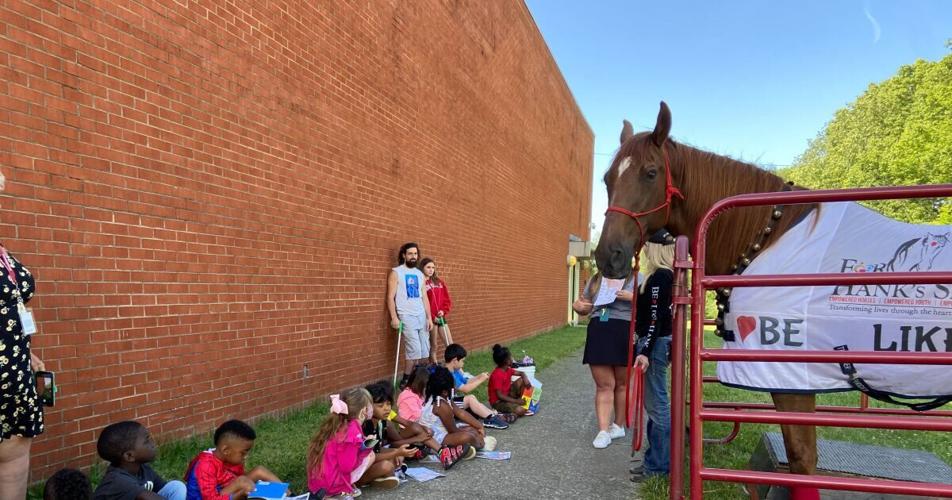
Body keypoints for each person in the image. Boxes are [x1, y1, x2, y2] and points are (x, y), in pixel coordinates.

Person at [0, 168, 46, 500]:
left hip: (14, 376)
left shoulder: (3, 254)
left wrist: (26, 353)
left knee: (13, 462)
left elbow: (13, 307)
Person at [573, 267, 637, 449]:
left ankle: (618, 426)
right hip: (599, 330)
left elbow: (653, 305)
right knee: (603, 385)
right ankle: (603, 431)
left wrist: (633, 298)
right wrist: (577, 306)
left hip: (625, 330)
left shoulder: (637, 276)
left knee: (622, 384)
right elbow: (583, 305)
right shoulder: (596, 279)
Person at [631, 231, 675, 479]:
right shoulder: (664, 276)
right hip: (656, 343)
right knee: (654, 403)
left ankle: (658, 466)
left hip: (655, 344)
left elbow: (655, 318)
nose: (644, 249)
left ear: (656, 248)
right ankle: (654, 460)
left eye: (647, 245)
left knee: (657, 404)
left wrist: (645, 350)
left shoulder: (660, 277)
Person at [307, 389, 404, 496]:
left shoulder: (341, 424)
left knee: (371, 455)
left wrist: (364, 445)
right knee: (370, 455)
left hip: (317, 485)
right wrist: (366, 449)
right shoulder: (352, 432)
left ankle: (346, 488)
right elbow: (347, 467)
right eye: (370, 405)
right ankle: (342, 490)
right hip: (331, 486)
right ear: (363, 411)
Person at [184, 420, 282, 500]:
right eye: (243, 453)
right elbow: (209, 498)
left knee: (259, 471)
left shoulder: (229, 458)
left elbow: (237, 479)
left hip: (224, 491)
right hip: (209, 498)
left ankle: (289, 496)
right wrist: (237, 495)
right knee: (242, 482)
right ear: (226, 450)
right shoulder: (205, 465)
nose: (246, 456)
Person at [419, 367, 494, 466]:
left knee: (472, 429)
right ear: (445, 391)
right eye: (453, 386)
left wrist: (479, 426)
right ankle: (479, 445)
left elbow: (460, 413)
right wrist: (476, 437)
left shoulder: (443, 397)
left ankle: (463, 448)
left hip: (444, 431)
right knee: (468, 436)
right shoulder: (441, 405)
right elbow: (453, 431)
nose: (455, 388)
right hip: (435, 439)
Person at [93, 421, 186, 500]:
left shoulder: (144, 469)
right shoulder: (117, 481)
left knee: (176, 487)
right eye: (147, 441)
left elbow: (163, 490)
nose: (153, 443)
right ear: (129, 456)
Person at [387, 243, 435, 386]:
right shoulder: (396, 272)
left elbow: (424, 297)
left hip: (421, 315)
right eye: (410, 253)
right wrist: (394, 317)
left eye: (415, 254)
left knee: (425, 350)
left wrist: (429, 317)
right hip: (406, 316)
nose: (413, 256)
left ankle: (415, 380)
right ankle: (407, 379)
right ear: (404, 255)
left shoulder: (420, 274)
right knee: (414, 349)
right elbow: (390, 297)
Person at [444, 344, 512, 429]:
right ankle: (490, 418)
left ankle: (493, 415)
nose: (463, 363)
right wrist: (481, 380)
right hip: (445, 404)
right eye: (462, 361)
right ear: (455, 360)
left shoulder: (455, 371)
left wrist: (479, 376)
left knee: (471, 400)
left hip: (452, 401)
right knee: (470, 398)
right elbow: (465, 389)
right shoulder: (447, 374)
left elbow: (467, 381)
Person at [364, 381, 441, 457]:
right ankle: (417, 449)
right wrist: (417, 439)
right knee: (389, 425)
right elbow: (373, 454)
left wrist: (423, 428)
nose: (387, 409)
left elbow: (407, 423)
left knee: (415, 427)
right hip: (386, 445)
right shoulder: (367, 425)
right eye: (381, 405)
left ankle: (441, 451)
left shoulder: (383, 418)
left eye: (388, 404)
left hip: (391, 442)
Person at [487, 344, 532, 418]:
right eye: (511, 357)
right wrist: (516, 401)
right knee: (521, 410)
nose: (512, 358)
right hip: (498, 402)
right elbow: (500, 396)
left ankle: (520, 402)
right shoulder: (497, 375)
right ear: (506, 361)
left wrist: (525, 378)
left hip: (507, 396)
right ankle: (504, 414)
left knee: (522, 380)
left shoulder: (507, 369)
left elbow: (521, 373)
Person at [420, 257, 453, 358]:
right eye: (428, 267)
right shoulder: (421, 283)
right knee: (434, 346)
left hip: (441, 316)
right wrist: (432, 316)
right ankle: (433, 367)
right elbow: (421, 302)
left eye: (433, 267)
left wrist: (443, 311)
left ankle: (456, 369)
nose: (431, 270)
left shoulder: (439, 282)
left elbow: (446, 299)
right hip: (430, 318)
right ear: (422, 268)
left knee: (450, 344)